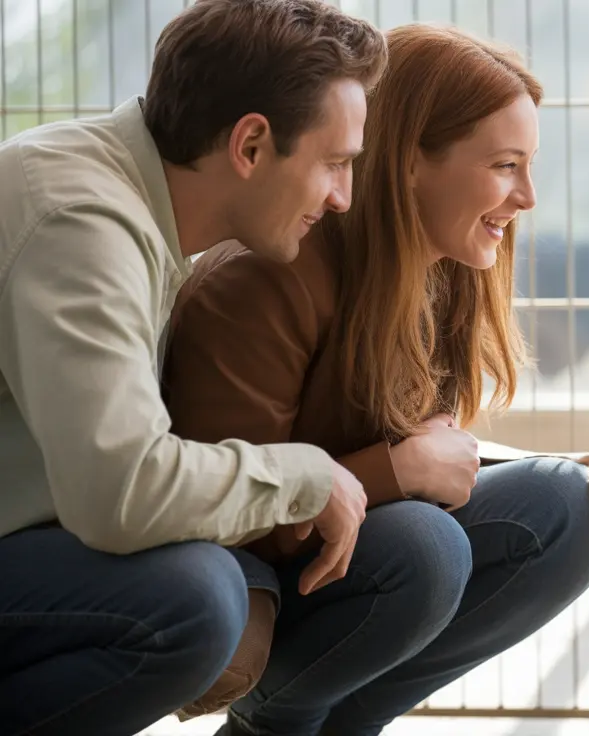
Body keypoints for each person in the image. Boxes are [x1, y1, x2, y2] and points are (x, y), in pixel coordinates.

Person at [159, 23, 589, 736]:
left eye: (528, 166)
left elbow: (408, 453)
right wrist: (396, 472)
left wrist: (416, 470)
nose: (527, 196)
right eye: (504, 166)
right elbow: (225, 511)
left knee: (567, 507)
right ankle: (272, 722)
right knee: (423, 549)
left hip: (356, 537)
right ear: (409, 163)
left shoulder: (446, 271)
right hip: (248, 569)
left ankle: (341, 725)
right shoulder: (263, 277)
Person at [0, 1, 388, 733]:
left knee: (227, 580)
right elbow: (123, 491)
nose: (341, 197)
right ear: (250, 145)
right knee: (194, 599)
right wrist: (306, 475)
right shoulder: (83, 223)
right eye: (334, 164)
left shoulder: (127, 204)